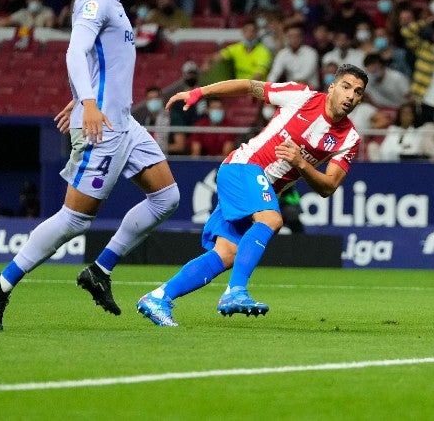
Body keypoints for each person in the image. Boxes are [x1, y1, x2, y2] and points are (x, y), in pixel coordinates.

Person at [0, 0, 181, 331]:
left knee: (167, 197)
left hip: (124, 122)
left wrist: (82, 93)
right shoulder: (93, 2)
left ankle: (100, 271)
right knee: (74, 219)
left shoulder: (114, 3)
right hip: (101, 126)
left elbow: (103, 63)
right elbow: (75, 50)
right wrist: (88, 103)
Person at [137, 65, 368, 326]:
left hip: (259, 187)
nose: (350, 96)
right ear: (332, 87)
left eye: (358, 92)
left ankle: (158, 297)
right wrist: (200, 92)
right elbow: (249, 86)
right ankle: (235, 292)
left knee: (227, 253)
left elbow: (328, 187)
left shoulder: (349, 138)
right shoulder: (300, 96)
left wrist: (302, 163)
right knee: (271, 219)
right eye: (346, 87)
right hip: (244, 167)